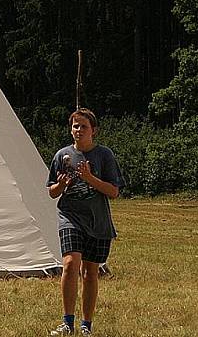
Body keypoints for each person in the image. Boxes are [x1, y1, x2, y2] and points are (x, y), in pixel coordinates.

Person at [46, 108, 125, 336]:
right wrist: (62, 185)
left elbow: (113, 191)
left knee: (90, 272)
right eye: (75, 126)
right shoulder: (62, 156)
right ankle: (67, 323)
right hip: (70, 216)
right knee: (70, 264)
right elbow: (52, 192)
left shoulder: (104, 155)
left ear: (94, 131)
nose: (78, 130)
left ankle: (86, 325)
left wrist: (90, 178)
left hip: (97, 220)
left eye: (83, 126)